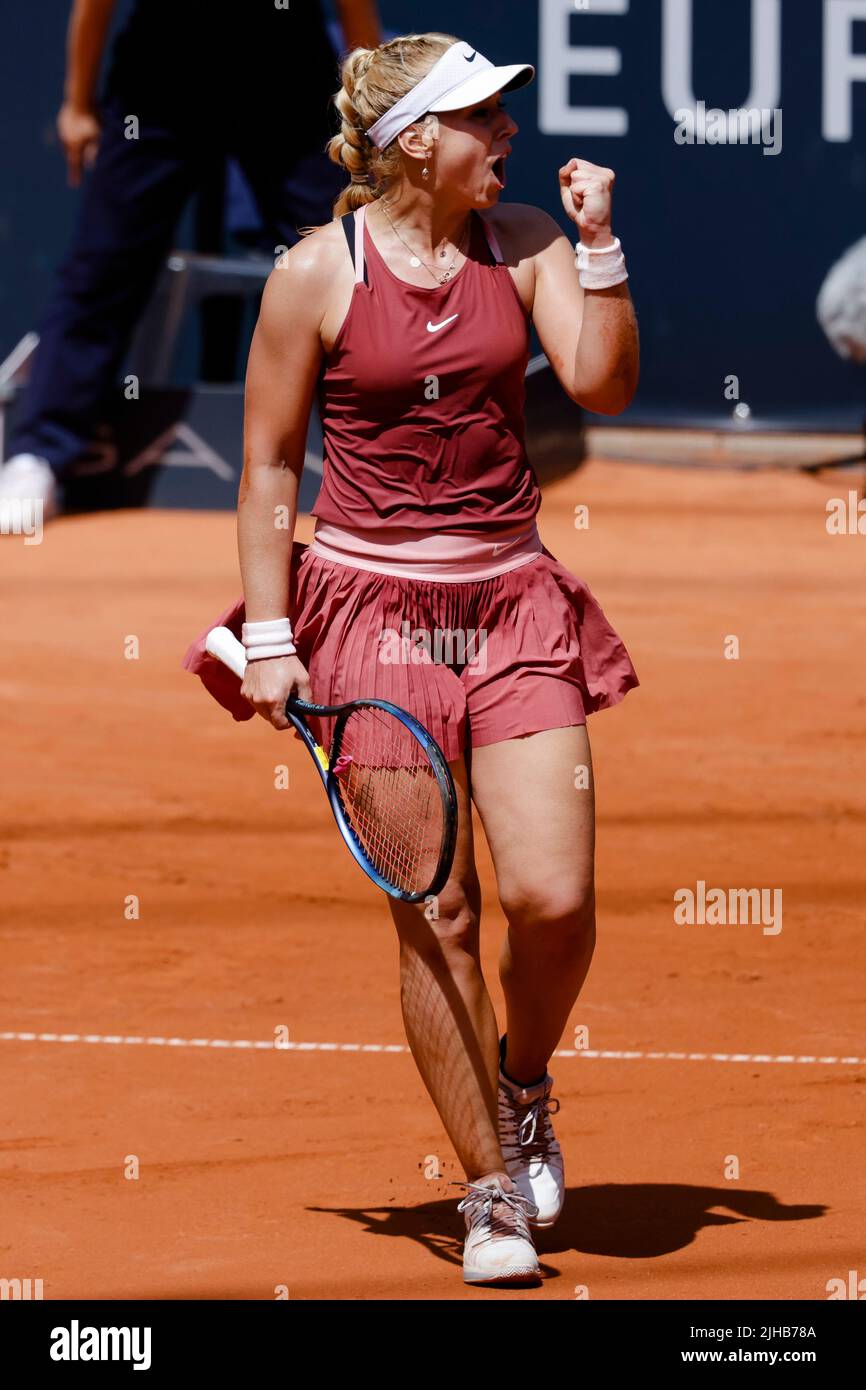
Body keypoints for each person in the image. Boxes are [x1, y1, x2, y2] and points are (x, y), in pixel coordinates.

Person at [184, 32, 640, 1288]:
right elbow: (270, 463)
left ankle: (523, 1084)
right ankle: (487, 1188)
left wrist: (600, 248)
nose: (505, 138)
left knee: (552, 903)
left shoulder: (533, 239)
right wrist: (270, 636)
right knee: (435, 910)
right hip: (372, 621)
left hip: (510, 606)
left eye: (503, 118)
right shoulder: (311, 274)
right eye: (482, 120)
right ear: (412, 142)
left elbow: (600, 382)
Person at [0, 0, 382, 525]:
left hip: (283, 67)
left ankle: (390, 455)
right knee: (104, 267)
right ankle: (38, 458)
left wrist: (371, 108)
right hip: (161, 76)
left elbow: (352, 4)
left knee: (344, 257)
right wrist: (78, 103)